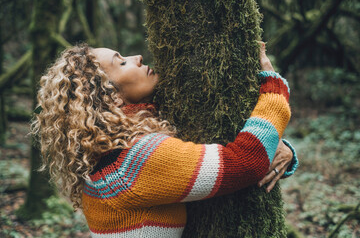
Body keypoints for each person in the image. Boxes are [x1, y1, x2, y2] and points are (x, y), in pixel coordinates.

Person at [31, 42, 298, 237]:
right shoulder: (132, 161)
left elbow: (186, 160)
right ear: (110, 96)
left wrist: (279, 145)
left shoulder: (111, 153)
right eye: (122, 62)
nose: (136, 57)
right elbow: (245, 163)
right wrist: (275, 91)